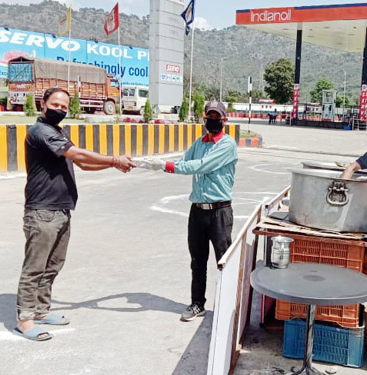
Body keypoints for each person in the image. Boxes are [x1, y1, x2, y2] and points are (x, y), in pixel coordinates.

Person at [15, 87, 136, 341]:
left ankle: (41, 310)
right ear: (42, 104)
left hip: (61, 209)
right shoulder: (41, 131)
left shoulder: (58, 132)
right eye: (55, 104)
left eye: (64, 106)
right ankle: (25, 320)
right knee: (35, 267)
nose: (59, 109)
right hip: (42, 211)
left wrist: (112, 166)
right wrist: (114, 160)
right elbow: (77, 154)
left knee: (53, 265)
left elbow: (81, 163)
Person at [145, 100, 238, 322]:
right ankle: (197, 304)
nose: (213, 120)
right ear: (204, 118)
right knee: (197, 260)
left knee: (224, 260)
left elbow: (201, 166)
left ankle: (228, 308)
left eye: (217, 117)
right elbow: (185, 161)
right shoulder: (199, 143)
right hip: (198, 211)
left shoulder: (227, 145)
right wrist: (157, 164)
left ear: (224, 119)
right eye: (209, 116)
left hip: (219, 212)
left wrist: (165, 165)